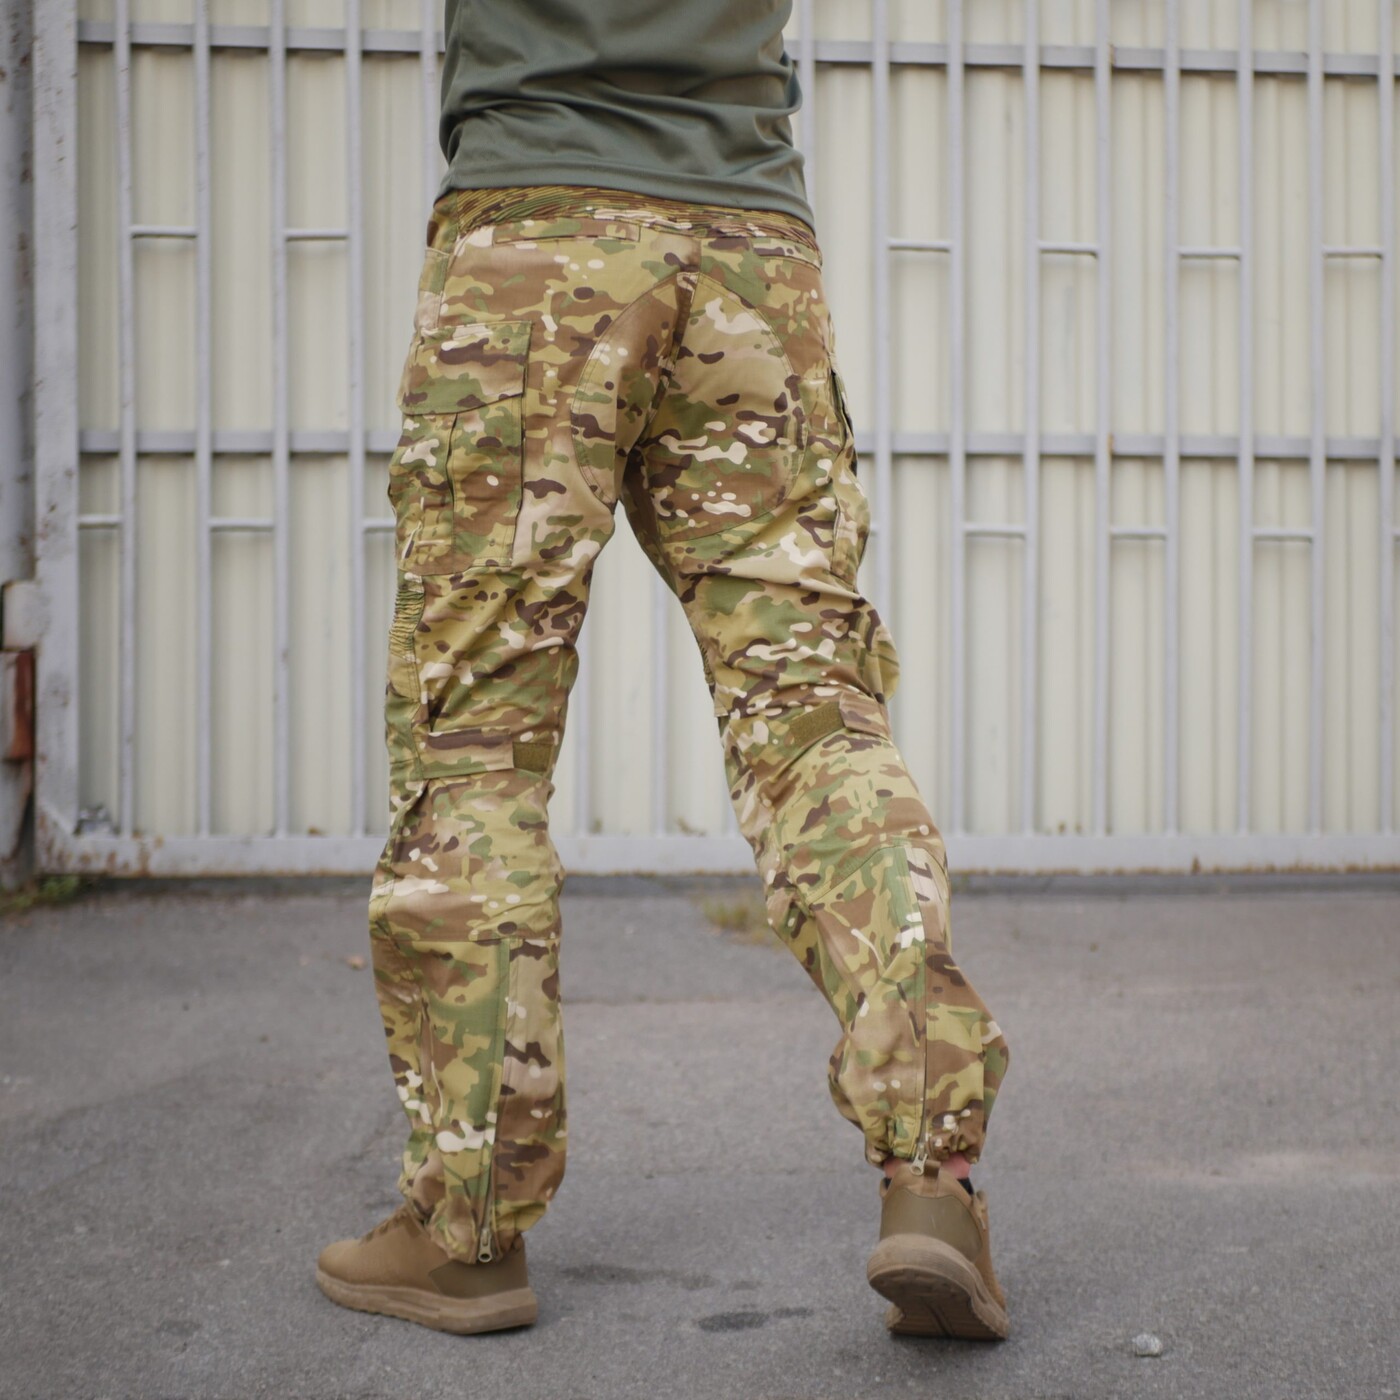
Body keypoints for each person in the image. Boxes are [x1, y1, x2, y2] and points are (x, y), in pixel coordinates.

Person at [315, 0, 1011, 1341]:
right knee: (813, 715)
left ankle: (467, 1230)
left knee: (475, 745)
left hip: (536, 229)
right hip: (748, 242)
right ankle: (935, 1174)